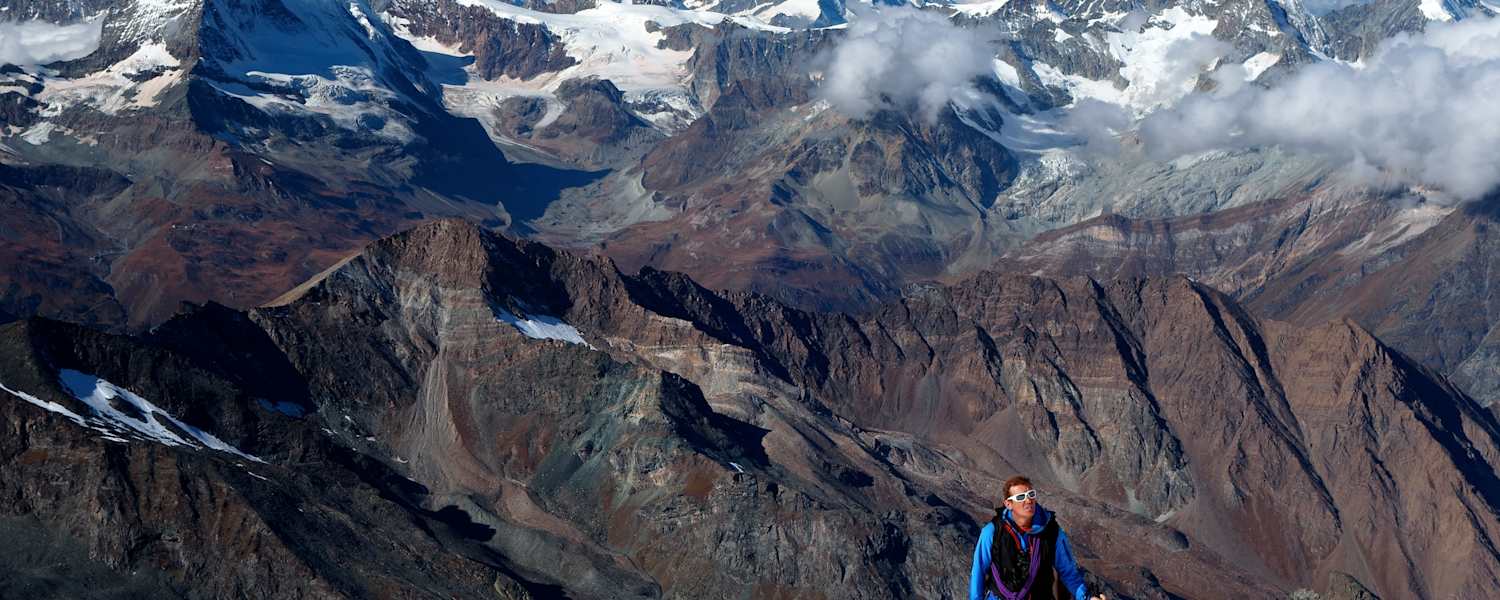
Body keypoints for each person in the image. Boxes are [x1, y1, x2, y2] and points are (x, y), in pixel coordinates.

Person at [968, 476, 1105, 600]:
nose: (1028, 500)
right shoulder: (992, 533)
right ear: (1008, 504)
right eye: (1021, 497)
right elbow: (979, 571)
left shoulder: (1052, 532)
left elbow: (1068, 572)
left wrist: (1087, 597)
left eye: (1031, 494)